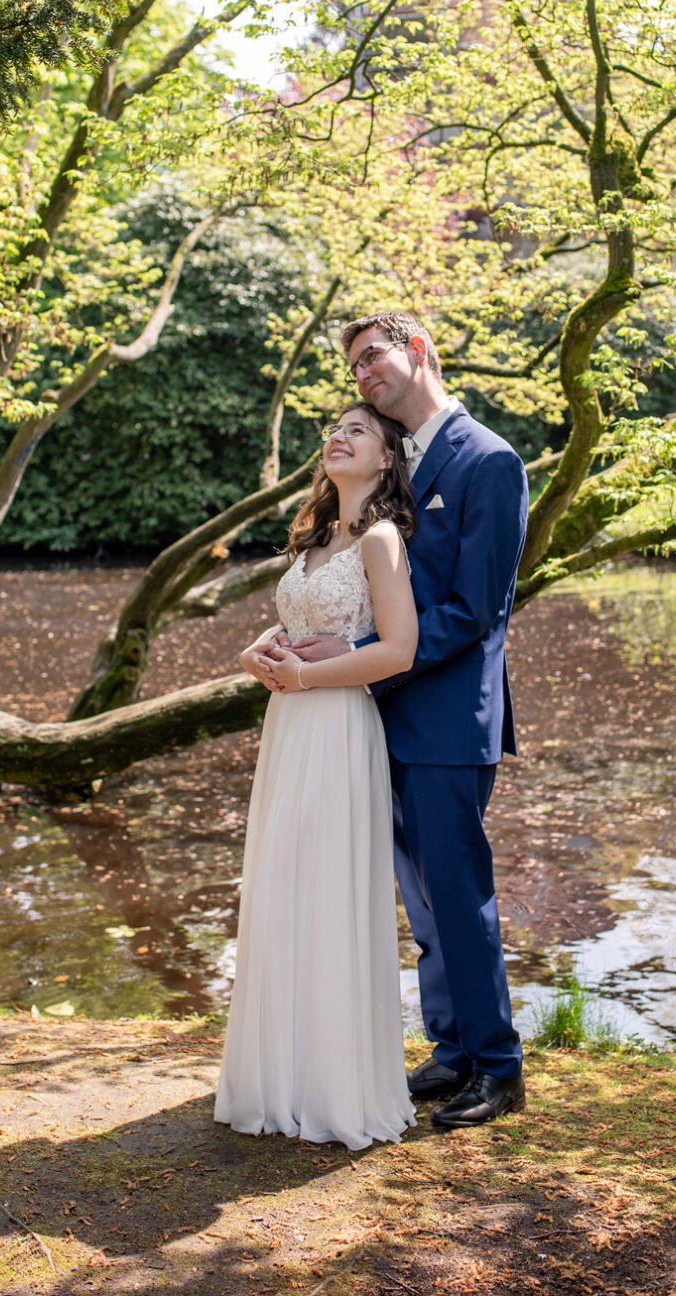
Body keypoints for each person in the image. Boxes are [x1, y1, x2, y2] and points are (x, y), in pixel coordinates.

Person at [287, 311, 529, 1129]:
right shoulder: (396, 464)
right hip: (377, 712)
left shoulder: (489, 461)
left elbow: (475, 611)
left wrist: (368, 653)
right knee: (421, 906)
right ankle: (453, 1050)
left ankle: (499, 1066)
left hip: (449, 719)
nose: (363, 376)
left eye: (372, 358)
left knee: (459, 896)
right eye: (353, 368)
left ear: (419, 351)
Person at [214, 400, 419, 1151]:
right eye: (333, 429)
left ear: (387, 458)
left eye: (357, 430)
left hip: (335, 723)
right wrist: (260, 654)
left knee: (328, 887)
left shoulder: (382, 539)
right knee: (283, 883)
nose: (339, 436)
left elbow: (397, 650)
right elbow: (297, 632)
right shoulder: (316, 537)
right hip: (289, 724)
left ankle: (334, 1086)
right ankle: (278, 1079)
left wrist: (305, 679)